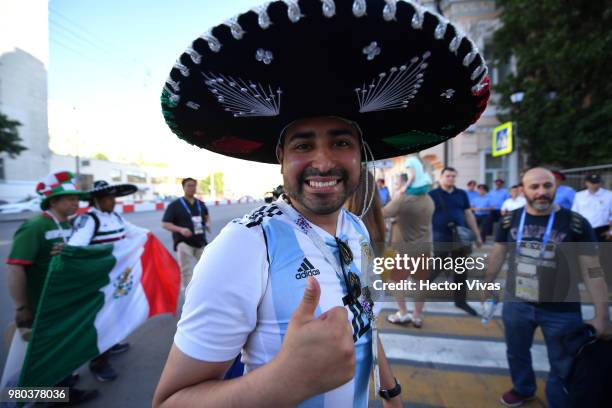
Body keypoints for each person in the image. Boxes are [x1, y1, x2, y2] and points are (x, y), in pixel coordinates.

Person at [153, 2, 490, 406]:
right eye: (303, 144)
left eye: (341, 142)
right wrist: (285, 380)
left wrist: (389, 390)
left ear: (360, 155)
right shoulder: (243, 246)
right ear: (281, 156)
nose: (324, 161)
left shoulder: (356, 229)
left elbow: (365, 323)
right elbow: (170, 401)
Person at [483, 167, 612, 408]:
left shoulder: (575, 223)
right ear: (523, 191)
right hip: (517, 303)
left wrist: (602, 315)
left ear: (556, 188)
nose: (542, 192)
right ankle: (523, 388)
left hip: (562, 309)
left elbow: (593, 270)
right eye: (534, 187)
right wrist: (488, 283)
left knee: (564, 363)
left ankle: (559, 400)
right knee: (516, 352)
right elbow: (498, 253)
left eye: (547, 186)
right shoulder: (510, 219)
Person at [6, 171, 98, 404]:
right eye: (69, 199)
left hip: (61, 304)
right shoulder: (35, 226)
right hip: (41, 307)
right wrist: (21, 307)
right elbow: (16, 268)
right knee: (41, 357)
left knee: (59, 350)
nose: (76, 203)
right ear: (53, 201)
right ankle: (54, 398)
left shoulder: (69, 224)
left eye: (77, 198)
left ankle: (60, 386)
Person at [69, 180, 146, 382]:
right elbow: (76, 247)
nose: (113, 201)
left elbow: (138, 233)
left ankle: (112, 343)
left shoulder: (116, 217)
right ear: (96, 199)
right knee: (101, 320)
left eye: (113, 197)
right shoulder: (89, 220)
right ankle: (98, 362)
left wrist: (151, 238)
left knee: (117, 314)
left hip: (118, 280)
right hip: (99, 283)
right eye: (108, 197)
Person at [382, 157, 434, 327]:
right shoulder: (428, 200)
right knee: (420, 282)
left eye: (397, 181)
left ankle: (403, 313)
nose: (396, 184)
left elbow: (383, 213)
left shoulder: (403, 200)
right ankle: (417, 316)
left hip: (405, 249)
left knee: (394, 280)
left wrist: (397, 197)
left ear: (406, 182)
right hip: (424, 247)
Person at [429, 167, 482, 316]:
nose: (450, 178)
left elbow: (468, 214)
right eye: (448, 176)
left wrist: (477, 235)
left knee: (461, 270)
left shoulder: (461, 194)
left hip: (460, 237)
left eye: (453, 176)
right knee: (437, 266)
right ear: (441, 177)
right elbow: (425, 217)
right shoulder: (433, 195)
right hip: (441, 237)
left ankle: (461, 301)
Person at [162, 178, 210, 291]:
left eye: (194, 185)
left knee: (206, 267)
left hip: (200, 241)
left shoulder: (201, 204)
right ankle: (188, 296)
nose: (192, 188)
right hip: (184, 242)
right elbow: (165, 224)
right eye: (189, 185)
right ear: (183, 187)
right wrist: (180, 229)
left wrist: (207, 224)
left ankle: (204, 290)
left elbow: (207, 217)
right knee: (186, 271)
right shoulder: (175, 205)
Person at [571, 173, 612, 282]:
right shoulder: (579, 195)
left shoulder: (609, 195)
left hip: (602, 230)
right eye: (592, 183)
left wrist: (611, 232)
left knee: (604, 257)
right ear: (586, 183)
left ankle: (607, 282)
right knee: (584, 256)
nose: (595, 185)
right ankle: (585, 280)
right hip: (584, 230)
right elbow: (575, 213)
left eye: (597, 182)